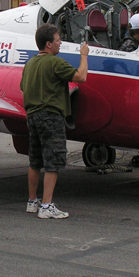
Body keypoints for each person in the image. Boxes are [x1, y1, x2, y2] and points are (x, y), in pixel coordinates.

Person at [21, 24, 89, 219]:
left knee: (35, 161)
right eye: (58, 40)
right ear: (49, 44)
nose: (60, 43)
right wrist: (83, 55)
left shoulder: (30, 64)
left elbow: (23, 88)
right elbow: (81, 77)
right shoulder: (55, 62)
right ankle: (47, 206)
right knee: (54, 162)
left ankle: (32, 202)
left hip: (32, 116)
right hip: (51, 116)